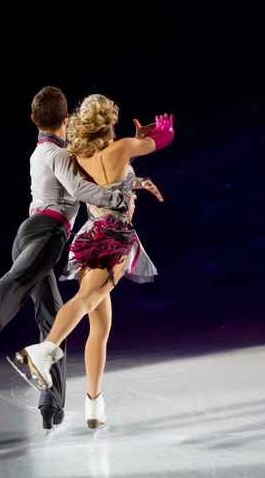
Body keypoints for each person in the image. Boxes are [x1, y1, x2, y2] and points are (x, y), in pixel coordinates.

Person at [0, 86, 130, 430]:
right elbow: (80, 190)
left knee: (53, 316)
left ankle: (50, 404)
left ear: (33, 120)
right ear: (66, 119)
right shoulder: (57, 156)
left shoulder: (42, 151)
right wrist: (115, 200)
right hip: (47, 233)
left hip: (30, 231)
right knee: (20, 280)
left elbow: (88, 165)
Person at [9, 94, 175, 429]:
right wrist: (152, 132)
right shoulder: (122, 147)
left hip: (89, 235)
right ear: (109, 122)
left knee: (100, 325)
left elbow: (98, 187)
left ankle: (94, 404)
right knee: (86, 300)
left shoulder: (77, 156)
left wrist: (136, 183)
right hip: (114, 237)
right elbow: (166, 137)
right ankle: (43, 352)